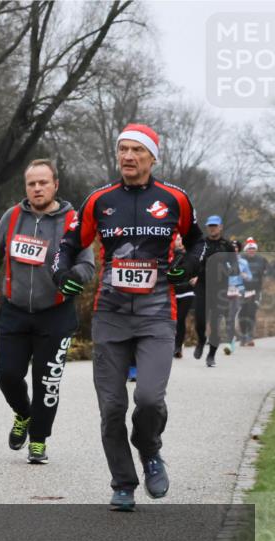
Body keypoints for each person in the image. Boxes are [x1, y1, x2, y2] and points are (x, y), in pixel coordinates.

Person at [53, 123, 205, 511]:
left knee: (150, 399)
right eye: (123, 150)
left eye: (137, 150)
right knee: (112, 408)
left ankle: (150, 450)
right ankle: (123, 482)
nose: (129, 157)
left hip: (157, 314)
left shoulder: (174, 199)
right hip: (111, 315)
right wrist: (62, 276)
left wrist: (185, 265)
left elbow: (198, 241)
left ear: (152, 157)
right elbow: (68, 246)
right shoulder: (99, 201)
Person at [0, 159, 94, 464]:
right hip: (14, 311)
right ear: (26, 187)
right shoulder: (12, 216)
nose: (37, 188)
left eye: (43, 182)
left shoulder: (73, 220)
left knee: (47, 382)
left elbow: (88, 264)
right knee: (6, 373)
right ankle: (23, 413)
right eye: (32, 183)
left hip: (55, 313)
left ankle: (39, 440)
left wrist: (75, 277)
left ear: (56, 184)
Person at [192, 215, 237, 367]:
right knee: (199, 319)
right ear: (207, 227)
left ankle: (211, 355)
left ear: (220, 227)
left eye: (215, 225)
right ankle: (201, 340)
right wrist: (192, 275)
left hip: (220, 288)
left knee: (216, 324)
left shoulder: (227, 245)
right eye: (210, 226)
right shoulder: (201, 244)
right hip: (202, 285)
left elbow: (235, 267)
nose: (212, 228)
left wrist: (228, 271)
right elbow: (193, 261)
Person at [222, 240, 252, 354]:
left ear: (238, 249)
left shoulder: (243, 262)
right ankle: (231, 338)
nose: (234, 249)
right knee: (225, 317)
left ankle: (229, 343)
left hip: (238, 290)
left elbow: (249, 277)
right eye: (232, 247)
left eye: (236, 247)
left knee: (231, 315)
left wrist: (244, 275)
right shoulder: (224, 261)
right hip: (225, 290)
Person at [239, 237, 269, 346]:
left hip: (255, 291)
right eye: (249, 249)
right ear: (246, 250)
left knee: (251, 312)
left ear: (255, 250)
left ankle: (249, 336)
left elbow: (268, 271)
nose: (251, 250)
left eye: (253, 249)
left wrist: (266, 273)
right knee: (243, 313)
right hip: (242, 291)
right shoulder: (241, 259)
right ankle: (243, 335)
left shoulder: (261, 260)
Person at [172, 233, 196, 358]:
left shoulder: (190, 254)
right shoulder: (168, 255)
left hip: (187, 292)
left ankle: (178, 347)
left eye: (181, 239)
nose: (179, 241)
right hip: (172, 293)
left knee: (180, 319)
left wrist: (197, 277)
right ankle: (170, 345)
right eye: (177, 239)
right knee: (171, 321)